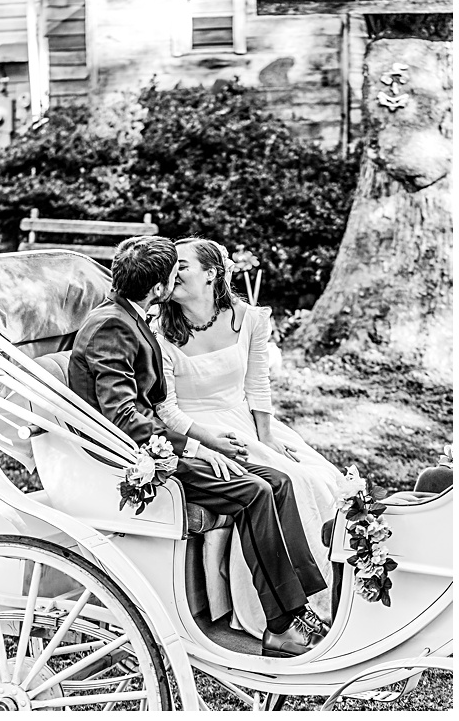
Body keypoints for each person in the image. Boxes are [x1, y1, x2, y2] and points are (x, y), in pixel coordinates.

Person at [67, 236, 330, 657]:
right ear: (158, 289)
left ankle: (301, 605)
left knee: (278, 481)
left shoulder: (130, 316)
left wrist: (197, 444)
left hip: (163, 447)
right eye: (174, 274)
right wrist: (193, 448)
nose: (178, 279)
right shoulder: (113, 326)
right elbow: (124, 417)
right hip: (136, 458)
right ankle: (281, 625)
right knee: (255, 492)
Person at [156, 237, 345, 639]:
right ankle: (284, 612)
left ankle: (333, 596)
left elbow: (257, 384)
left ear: (212, 274)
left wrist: (266, 436)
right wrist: (206, 442)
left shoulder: (249, 319)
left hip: (244, 419)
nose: (172, 272)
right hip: (198, 428)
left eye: (182, 265)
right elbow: (166, 408)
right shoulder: (160, 330)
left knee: (323, 476)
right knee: (287, 484)